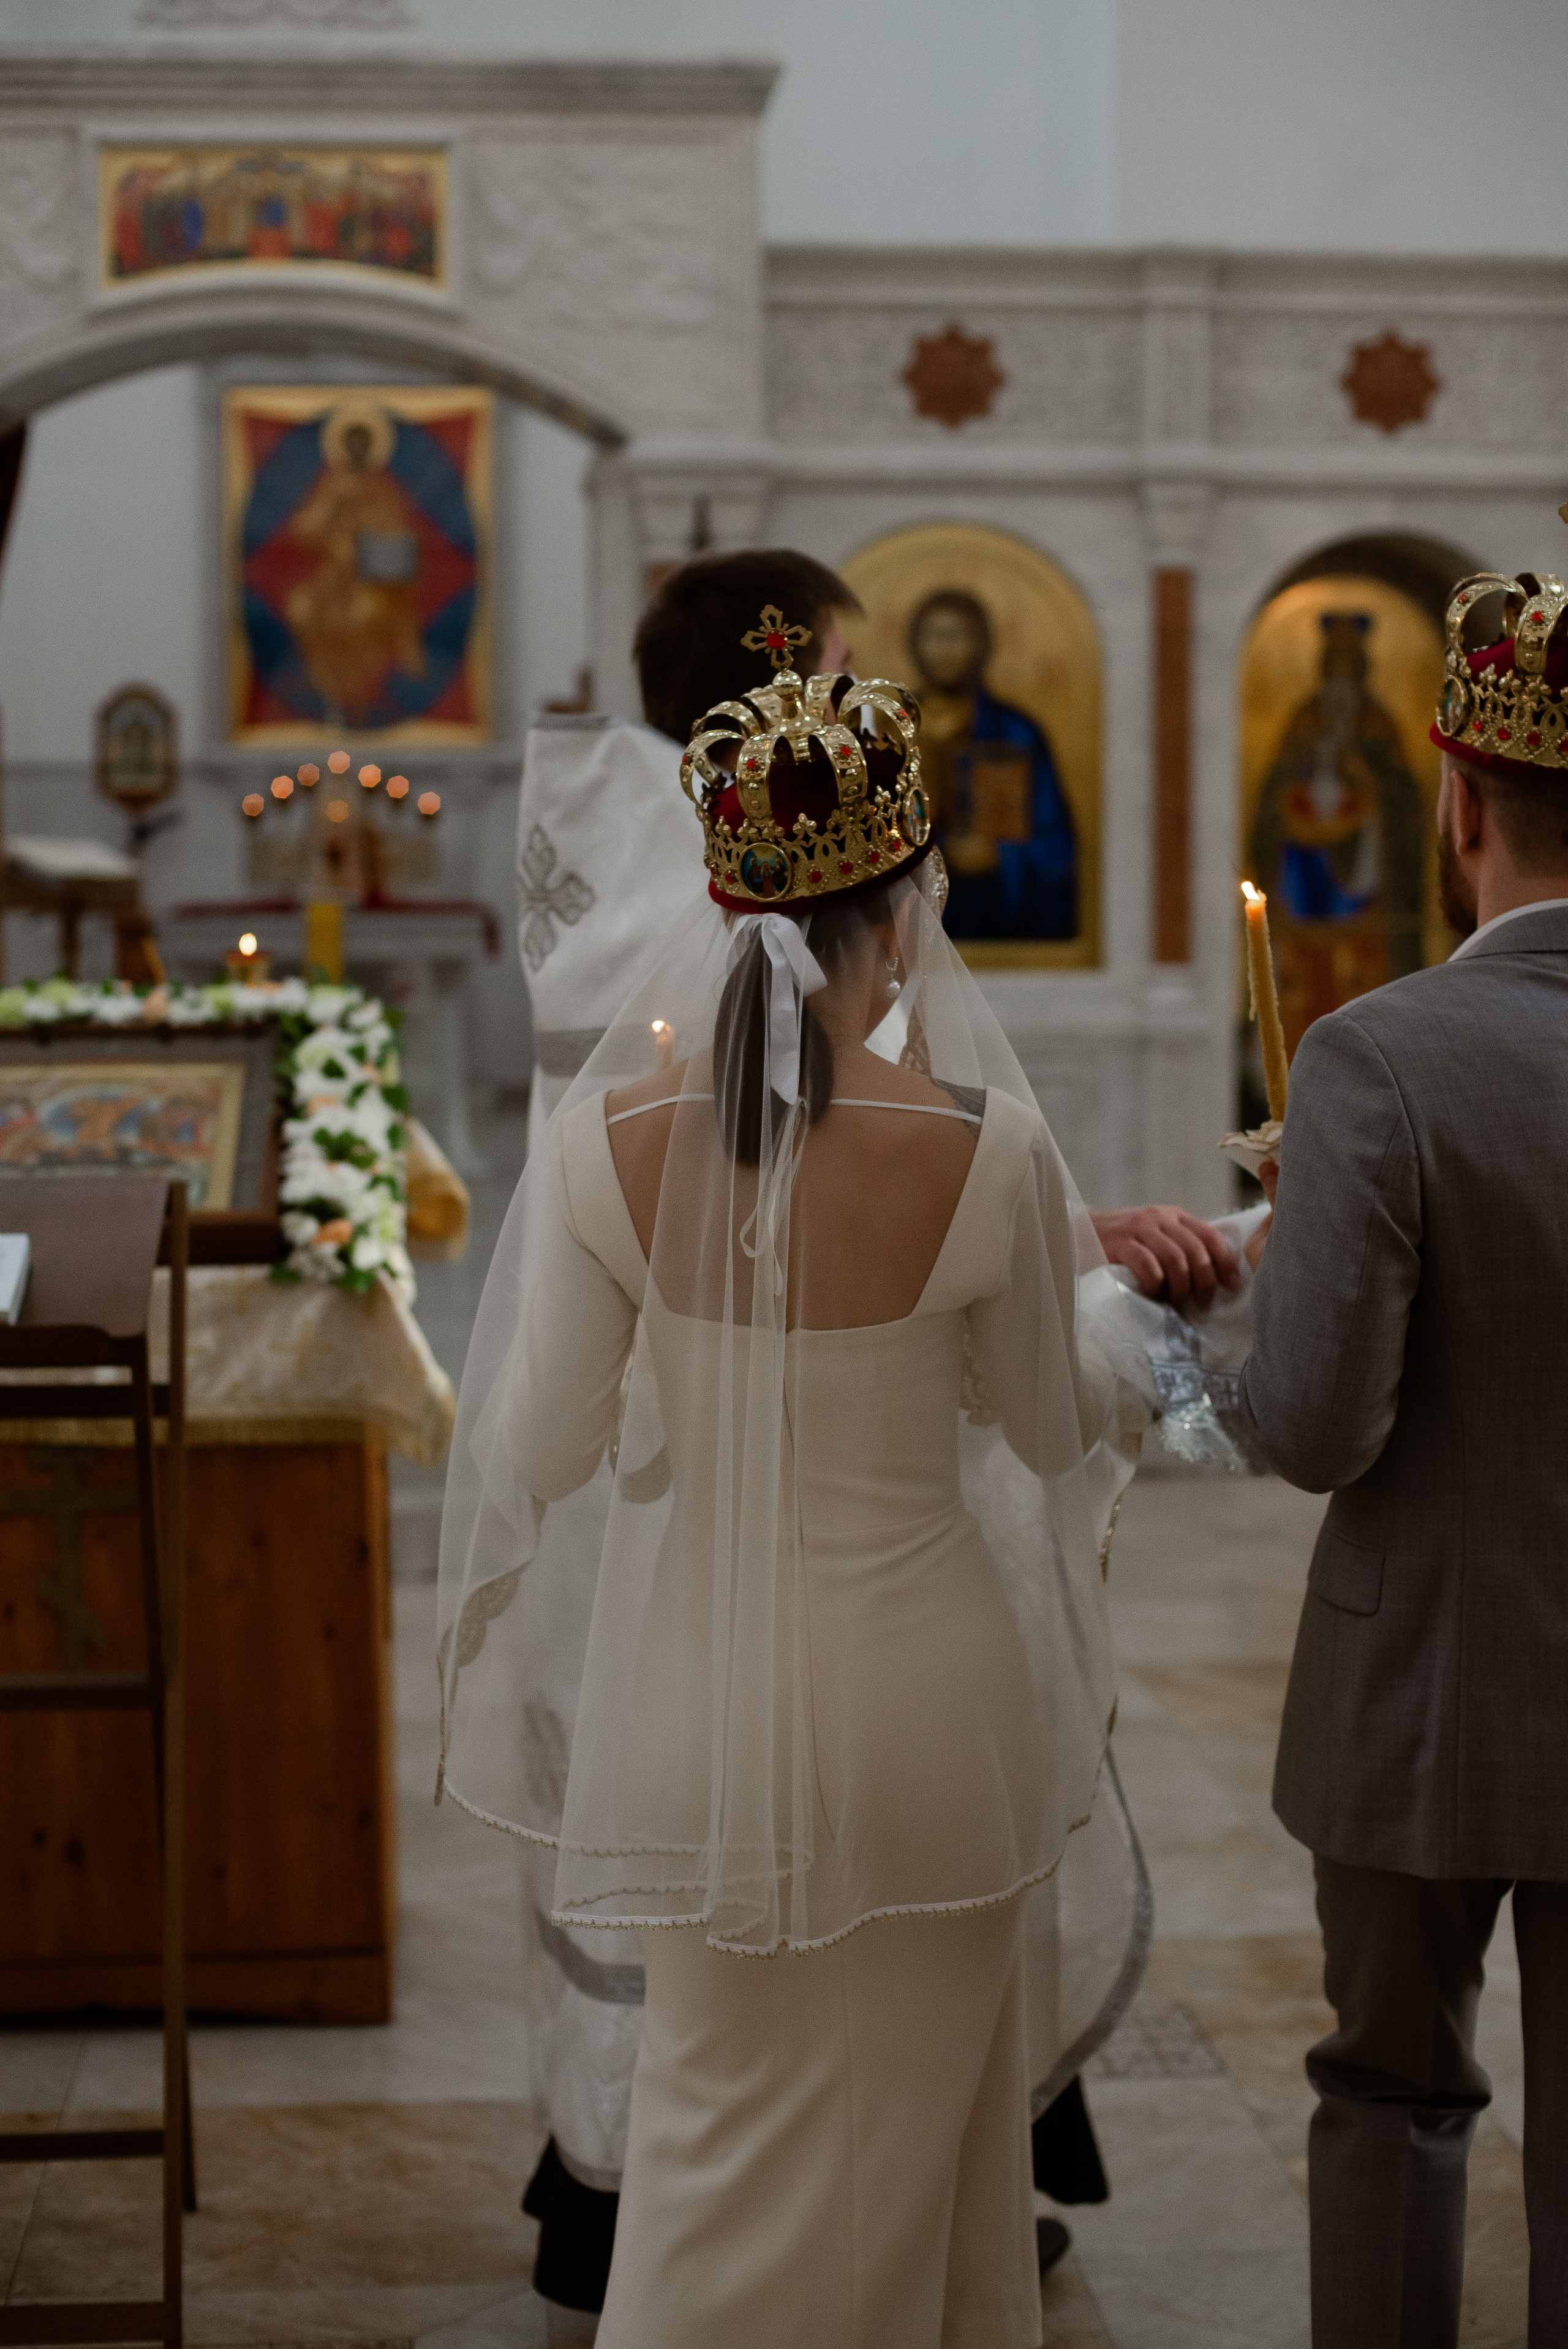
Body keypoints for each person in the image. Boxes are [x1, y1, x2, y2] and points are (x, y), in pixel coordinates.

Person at [507, 548, 1232, 2328]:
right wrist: (1148, 1342)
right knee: (940, 2152)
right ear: (899, 907)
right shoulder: (986, 1150)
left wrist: (697, 1400)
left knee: (703, 2133)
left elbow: (534, 1457)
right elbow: (1056, 1426)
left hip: (691, 1706)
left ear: (717, 889)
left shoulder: (602, 1153)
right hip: (933, 1712)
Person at [1239, 537, 1568, 2347]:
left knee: (1390, 2092)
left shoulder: (1376, 1057)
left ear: (1450, 798)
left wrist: (1253, 1313)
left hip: (1420, 1692)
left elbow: (1313, 1425)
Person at [1250, 609, 1427, 1057]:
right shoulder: (1304, 722)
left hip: (1366, 895)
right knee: (1302, 992)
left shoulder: (1379, 724)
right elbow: (1272, 797)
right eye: (1336, 666)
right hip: (1303, 887)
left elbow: (1406, 802)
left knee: (1365, 988)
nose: (1344, 678)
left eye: (1352, 666)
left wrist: (1367, 780)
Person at [906, 588, 1077, 944]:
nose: (945, 650)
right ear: (915, 644)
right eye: (935, 636)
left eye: (958, 636)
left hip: (994, 919)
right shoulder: (892, 733)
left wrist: (1000, 856)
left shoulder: (1018, 734)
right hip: (909, 924)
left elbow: (1057, 845)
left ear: (982, 646)